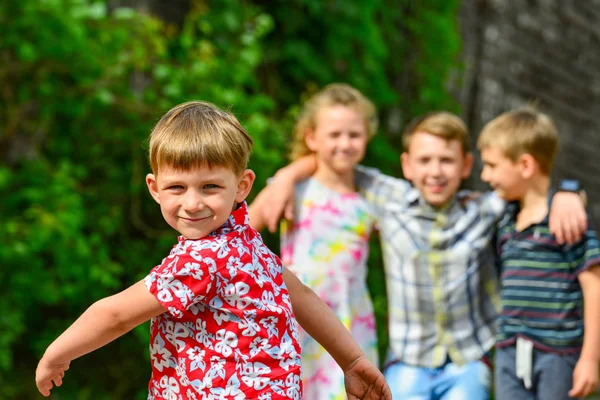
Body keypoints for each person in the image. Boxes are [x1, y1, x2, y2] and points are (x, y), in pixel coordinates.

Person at [35, 101, 391, 400]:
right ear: (154, 188)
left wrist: (58, 353)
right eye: (177, 187)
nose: (192, 203)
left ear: (242, 185)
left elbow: (116, 315)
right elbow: (302, 296)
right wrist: (352, 360)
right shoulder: (247, 243)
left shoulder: (201, 259)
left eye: (209, 187)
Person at [253, 110, 588, 399]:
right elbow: (333, 158)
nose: (435, 171)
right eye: (425, 160)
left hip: (466, 360)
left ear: (465, 165)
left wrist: (568, 193)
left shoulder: (485, 209)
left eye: (446, 160)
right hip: (408, 359)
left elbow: (530, 187)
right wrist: (285, 177)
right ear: (407, 165)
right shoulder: (389, 197)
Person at [249, 83, 379, 399]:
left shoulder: (371, 197)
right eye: (334, 135)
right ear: (312, 138)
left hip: (350, 319)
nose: (344, 143)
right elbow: (242, 232)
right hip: (297, 319)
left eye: (354, 135)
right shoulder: (291, 189)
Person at [478, 107, 600, 400]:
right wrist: (570, 189)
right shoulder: (505, 219)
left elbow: (594, 287)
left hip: (557, 354)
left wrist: (590, 359)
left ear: (525, 165)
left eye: (492, 166)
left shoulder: (567, 222)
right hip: (509, 351)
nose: (484, 175)